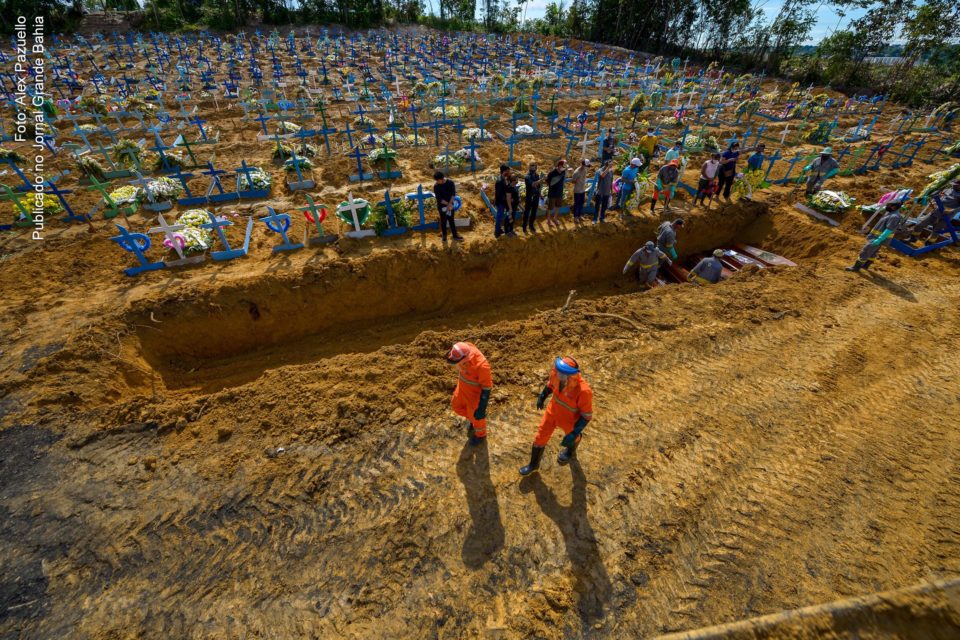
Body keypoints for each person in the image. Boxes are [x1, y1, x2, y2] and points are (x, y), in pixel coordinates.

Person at [519, 356, 593, 475]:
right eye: (558, 371)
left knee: (573, 437)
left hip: (570, 420)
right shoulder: (557, 374)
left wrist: (574, 432)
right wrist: (543, 395)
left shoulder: (583, 391)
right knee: (540, 437)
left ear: (571, 375)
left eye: (562, 374)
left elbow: (586, 416)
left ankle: (570, 451)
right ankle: (533, 465)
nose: (558, 375)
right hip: (552, 412)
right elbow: (550, 385)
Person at [447, 342, 493, 445]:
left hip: (474, 395)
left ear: (465, 358)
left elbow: (487, 387)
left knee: (477, 418)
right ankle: (471, 419)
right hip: (462, 388)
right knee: (457, 406)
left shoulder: (482, 366)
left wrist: (482, 407)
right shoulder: (465, 347)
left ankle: (480, 435)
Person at [846, 201, 905, 272]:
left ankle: (856, 267)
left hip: (878, 238)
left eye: (889, 205)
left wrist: (879, 239)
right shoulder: (891, 214)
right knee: (873, 252)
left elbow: (889, 230)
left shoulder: (894, 216)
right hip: (876, 237)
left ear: (894, 207)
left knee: (866, 251)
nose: (887, 206)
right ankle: (866, 265)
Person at [433, 171, 463, 242]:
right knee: (443, 221)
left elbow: (453, 194)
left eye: (437, 180)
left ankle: (455, 235)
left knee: (451, 220)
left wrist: (450, 204)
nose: (437, 182)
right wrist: (448, 204)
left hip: (450, 205)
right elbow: (439, 199)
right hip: (442, 206)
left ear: (442, 179)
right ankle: (444, 236)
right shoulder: (436, 186)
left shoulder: (450, 183)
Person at [545, 158, 568, 227]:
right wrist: (551, 185)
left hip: (560, 192)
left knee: (558, 206)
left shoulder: (563, 172)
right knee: (550, 207)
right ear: (560, 166)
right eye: (564, 166)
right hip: (552, 193)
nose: (565, 168)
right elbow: (547, 181)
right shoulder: (552, 173)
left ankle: (555, 218)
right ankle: (548, 221)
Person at [522, 163, 544, 233]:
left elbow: (538, 187)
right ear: (529, 168)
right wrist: (542, 179)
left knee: (534, 212)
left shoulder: (537, 176)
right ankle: (524, 226)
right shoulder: (527, 177)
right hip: (529, 197)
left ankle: (531, 225)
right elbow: (533, 184)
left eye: (534, 169)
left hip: (536, 196)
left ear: (536, 169)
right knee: (527, 212)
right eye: (531, 168)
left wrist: (540, 194)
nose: (533, 170)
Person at [494, 164, 513, 238]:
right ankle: (497, 232)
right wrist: (506, 199)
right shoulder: (499, 181)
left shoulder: (503, 179)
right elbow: (499, 194)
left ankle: (498, 229)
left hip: (502, 202)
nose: (508, 173)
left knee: (500, 216)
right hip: (500, 202)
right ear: (504, 171)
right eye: (507, 171)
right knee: (499, 217)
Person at [571, 159, 590, 223]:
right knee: (577, 204)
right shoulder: (576, 172)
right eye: (586, 166)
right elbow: (573, 181)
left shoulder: (585, 170)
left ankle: (579, 215)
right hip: (577, 190)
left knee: (581, 203)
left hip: (582, 190)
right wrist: (577, 181)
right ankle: (575, 217)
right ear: (583, 165)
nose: (587, 167)